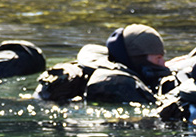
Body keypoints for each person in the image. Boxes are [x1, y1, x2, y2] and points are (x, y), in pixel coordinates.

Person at [34, 24, 174, 104]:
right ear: (136, 59)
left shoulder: (91, 68)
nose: (163, 64)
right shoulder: (121, 82)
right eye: (158, 59)